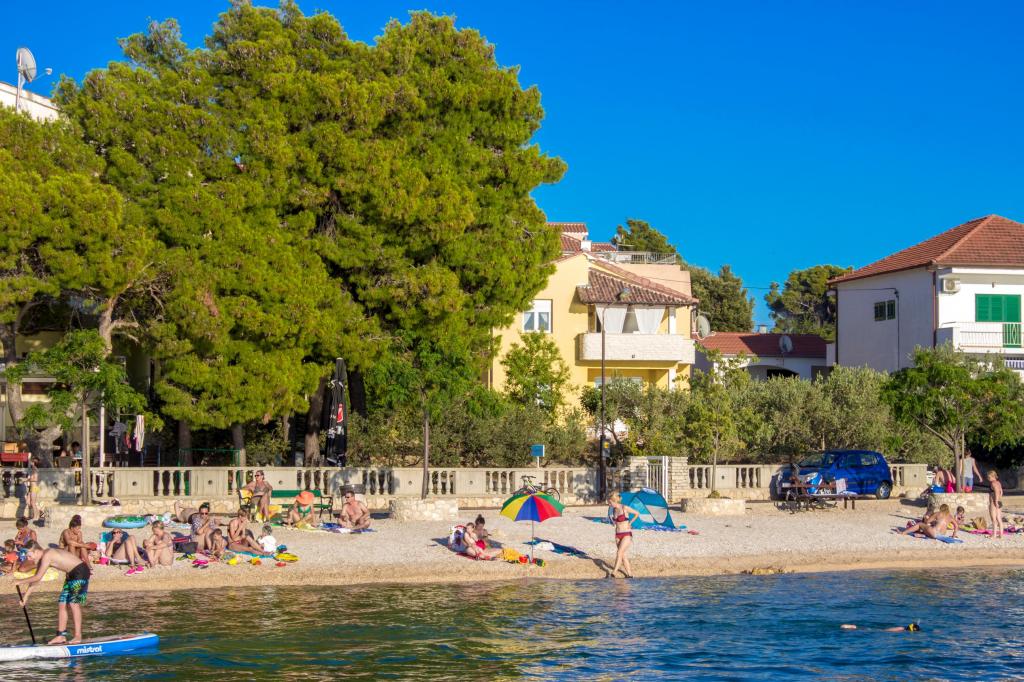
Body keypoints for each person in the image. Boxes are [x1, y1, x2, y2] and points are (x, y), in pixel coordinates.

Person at [15, 540, 91, 644]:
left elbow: (38, 577)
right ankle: (60, 636)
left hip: (80, 571)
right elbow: (36, 579)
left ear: (36, 552)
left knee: (73, 603)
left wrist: (20, 581)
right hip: (71, 574)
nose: (28, 559)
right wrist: (25, 597)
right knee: (62, 604)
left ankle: (78, 636)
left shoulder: (48, 555)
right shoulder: (43, 559)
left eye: (29, 556)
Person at [608, 491, 640, 579]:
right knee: (623, 555)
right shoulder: (614, 510)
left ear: (614, 501)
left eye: (610, 502)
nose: (609, 504)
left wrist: (630, 522)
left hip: (626, 534)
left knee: (619, 552)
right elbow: (616, 522)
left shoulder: (624, 508)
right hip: (617, 534)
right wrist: (613, 522)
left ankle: (614, 573)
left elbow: (637, 513)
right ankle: (630, 574)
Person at [988, 470, 1003, 539]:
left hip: (994, 502)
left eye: (989, 477)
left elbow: (997, 491)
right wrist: (999, 499)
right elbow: (1001, 491)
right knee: (999, 519)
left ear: (993, 476)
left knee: (994, 519)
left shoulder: (993, 483)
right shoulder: (999, 483)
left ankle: (994, 535)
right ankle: (1001, 535)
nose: (988, 479)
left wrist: (995, 501)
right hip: (999, 502)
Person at [841, 622, 921, 632]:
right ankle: (853, 627)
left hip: (883, 631)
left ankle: (854, 627)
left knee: (868, 630)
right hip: (882, 631)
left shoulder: (902, 628)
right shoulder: (902, 629)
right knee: (868, 630)